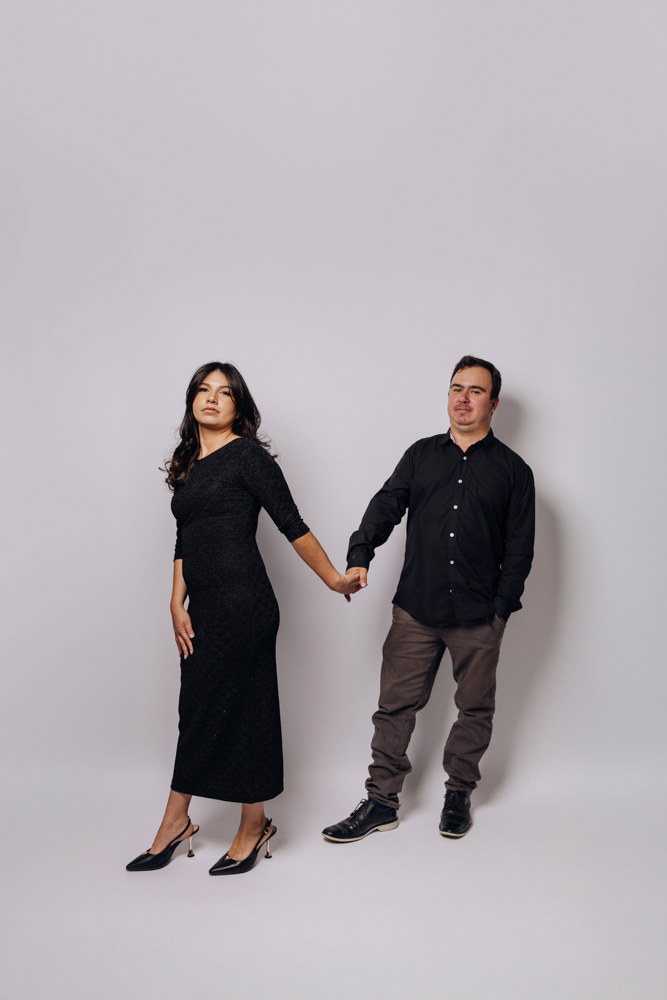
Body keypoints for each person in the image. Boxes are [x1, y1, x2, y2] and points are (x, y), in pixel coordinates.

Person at [126, 362, 360, 875]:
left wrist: (334, 580)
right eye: (203, 389)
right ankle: (179, 821)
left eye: (224, 392)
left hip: (245, 604)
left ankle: (251, 825)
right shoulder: (189, 465)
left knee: (247, 709)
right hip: (203, 609)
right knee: (197, 710)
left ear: (239, 406)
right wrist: (175, 603)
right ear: (192, 400)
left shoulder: (248, 457)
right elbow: (185, 539)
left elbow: (292, 524)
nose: (211, 398)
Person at [322, 356, 535, 843]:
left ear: (493, 404)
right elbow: (387, 504)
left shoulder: (514, 471)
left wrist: (501, 610)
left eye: (476, 391)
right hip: (415, 608)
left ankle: (458, 793)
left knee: (474, 709)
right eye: (457, 388)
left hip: (479, 614)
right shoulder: (420, 455)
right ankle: (381, 802)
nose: (463, 398)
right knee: (394, 707)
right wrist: (360, 554)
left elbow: (520, 549)